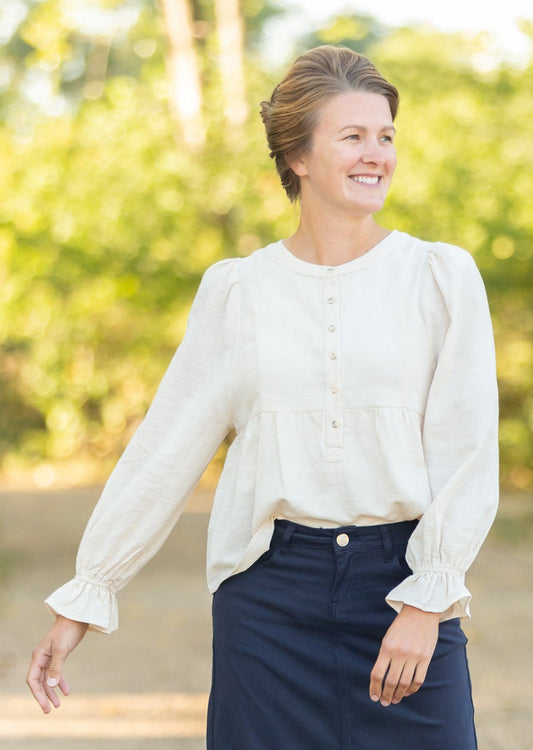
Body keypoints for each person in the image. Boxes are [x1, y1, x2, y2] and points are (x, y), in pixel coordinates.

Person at [27, 45, 498, 749]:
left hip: (402, 588)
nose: (376, 154)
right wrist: (88, 594)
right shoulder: (237, 291)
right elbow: (167, 447)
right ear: (298, 158)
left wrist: (427, 600)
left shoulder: (438, 276)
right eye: (353, 136)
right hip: (269, 600)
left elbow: (466, 448)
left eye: (385, 136)